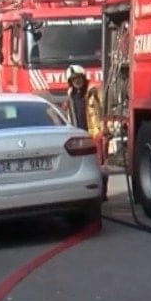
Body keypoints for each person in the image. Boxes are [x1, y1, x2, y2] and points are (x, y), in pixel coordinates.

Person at [62, 64, 107, 200]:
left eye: (79, 78)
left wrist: (104, 129)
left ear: (83, 77)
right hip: (79, 135)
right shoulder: (70, 95)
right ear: (70, 81)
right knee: (83, 166)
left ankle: (103, 193)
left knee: (101, 165)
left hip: (95, 133)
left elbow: (105, 110)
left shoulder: (94, 92)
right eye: (74, 79)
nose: (77, 81)